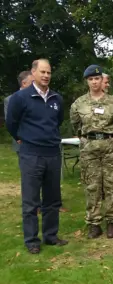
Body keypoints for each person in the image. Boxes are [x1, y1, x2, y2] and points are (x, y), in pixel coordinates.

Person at [6, 59, 66, 254]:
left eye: (49, 72)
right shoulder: (20, 98)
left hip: (52, 154)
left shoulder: (57, 98)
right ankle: (32, 240)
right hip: (31, 154)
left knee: (52, 199)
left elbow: (57, 121)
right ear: (33, 73)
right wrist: (21, 138)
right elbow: (11, 123)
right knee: (31, 201)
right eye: (42, 72)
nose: (46, 76)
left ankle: (50, 236)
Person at [70, 65, 113, 239]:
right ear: (87, 81)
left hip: (112, 148)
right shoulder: (79, 104)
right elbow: (76, 126)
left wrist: (111, 138)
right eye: (91, 79)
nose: (94, 82)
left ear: (103, 80)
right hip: (89, 148)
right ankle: (94, 223)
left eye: (97, 79)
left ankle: (111, 221)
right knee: (92, 185)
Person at [4, 70, 34, 156]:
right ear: (24, 83)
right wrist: (19, 137)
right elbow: (10, 121)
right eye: (32, 82)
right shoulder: (10, 100)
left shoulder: (38, 97)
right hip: (22, 142)